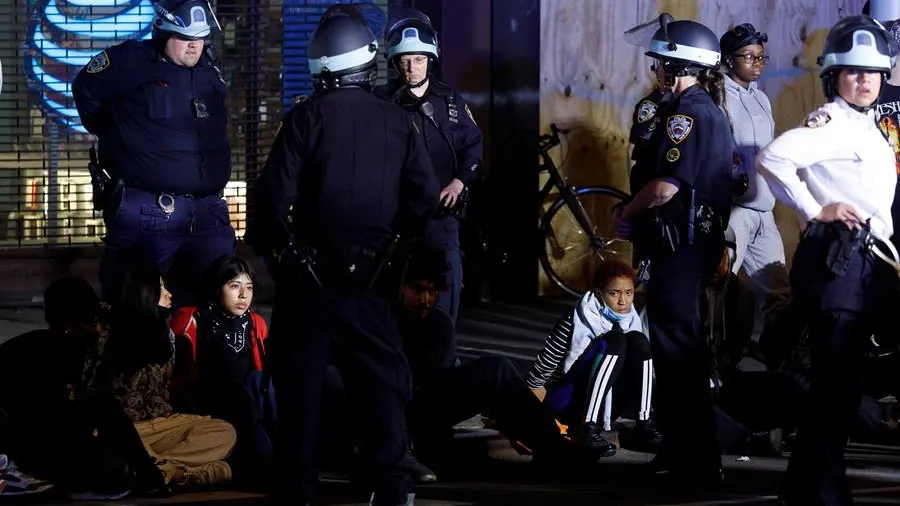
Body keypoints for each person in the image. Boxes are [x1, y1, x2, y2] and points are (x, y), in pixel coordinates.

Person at [243, 4, 439, 505]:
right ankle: (392, 485)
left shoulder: (306, 118)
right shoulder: (398, 122)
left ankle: (298, 489)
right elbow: (423, 198)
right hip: (374, 278)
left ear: (321, 63)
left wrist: (284, 261)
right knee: (381, 385)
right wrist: (393, 248)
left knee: (301, 388)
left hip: (311, 282)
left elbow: (269, 201)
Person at [756, 15, 898, 506]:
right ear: (834, 75)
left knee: (837, 384)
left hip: (860, 267)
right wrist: (817, 209)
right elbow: (772, 158)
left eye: (873, 72)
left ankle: (805, 487)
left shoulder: (864, 124)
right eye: (854, 72)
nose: (865, 81)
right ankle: (823, 490)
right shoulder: (833, 122)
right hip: (842, 265)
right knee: (835, 386)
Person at [616, 14, 735, 484]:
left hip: (678, 251)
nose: (657, 71)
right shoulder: (704, 110)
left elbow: (666, 187)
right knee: (674, 351)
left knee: (679, 353)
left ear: (678, 66)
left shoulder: (689, 114)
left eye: (663, 63)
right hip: (684, 248)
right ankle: (683, 452)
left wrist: (627, 212)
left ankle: (697, 460)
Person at [72, 0, 235, 305]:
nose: (194, 47)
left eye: (200, 39)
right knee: (136, 306)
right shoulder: (132, 61)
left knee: (213, 307)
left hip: (207, 212)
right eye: (185, 39)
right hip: (150, 211)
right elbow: (86, 90)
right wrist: (116, 135)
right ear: (164, 34)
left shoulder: (208, 69)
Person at [393, 244, 602, 471]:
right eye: (418, 289)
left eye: (432, 292)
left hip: (425, 407)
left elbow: (442, 378)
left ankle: (552, 446)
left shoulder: (437, 322)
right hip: (392, 411)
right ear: (401, 287)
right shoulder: (383, 319)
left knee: (496, 369)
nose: (425, 299)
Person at [0, 276, 169, 499]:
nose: (98, 329)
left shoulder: (73, 351)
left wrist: (147, 471)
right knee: (114, 473)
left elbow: (104, 409)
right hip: (29, 446)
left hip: (60, 441)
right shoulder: (36, 355)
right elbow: (51, 426)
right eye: (91, 322)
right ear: (68, 326)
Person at [374, 7, 483, 324]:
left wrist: (459, 182)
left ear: (430, 59)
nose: (412, 68)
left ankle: (443, 358)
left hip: (441, 216)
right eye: (405, 61)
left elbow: (474, 147)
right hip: (397, 217)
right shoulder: (382, 101)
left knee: (444, 295)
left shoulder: (449, 101)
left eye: (419, 59)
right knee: (393, 294)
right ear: (395, 62)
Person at [101, 262, 237, 488]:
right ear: (145, 293)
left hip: (164, 425)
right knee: (222, 471)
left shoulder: (166, 336)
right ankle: (184, 473)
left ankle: (161, 469)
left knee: (224, 431)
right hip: (128, 428)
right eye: (162, 289)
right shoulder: (110, 335)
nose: (169, 294)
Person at [525, 259, 662, 456]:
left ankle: (644, 426)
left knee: (638, 340)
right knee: (615, 340)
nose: (623, 302)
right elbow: (536, 377)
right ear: (599, 292)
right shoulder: (575, 318)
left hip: (608, 402)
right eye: (614, 293)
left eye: (629, 293)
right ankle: (587, 429)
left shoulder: (632, 320)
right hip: (569, 403)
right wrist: (538, 424)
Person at [170, 255, 275, 485]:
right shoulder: (193, 318)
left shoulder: (256, 323)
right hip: (209, 408)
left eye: (249, 287)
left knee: (257, 381)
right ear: (218, 288)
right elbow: (177, 378)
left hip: (249, 406)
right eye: (234, 286)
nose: (243, 295)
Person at [719, 23, 791, 346]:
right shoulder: (716, 95)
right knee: (719, 286)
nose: (757, 64)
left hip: (764, 210)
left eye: (761, 58)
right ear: (729, 59)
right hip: (735, 212)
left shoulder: (762, 98)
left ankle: (776, 358)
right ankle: (710, 360)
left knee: (780, 294)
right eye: (749, 57)